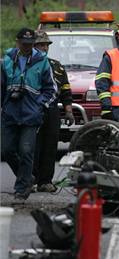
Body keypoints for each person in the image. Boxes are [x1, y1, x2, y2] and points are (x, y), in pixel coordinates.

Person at [1, 28, 56, 200]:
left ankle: (21, 189)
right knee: (7, 150)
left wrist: (39, 105)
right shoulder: (7, 61)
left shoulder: (42, 61)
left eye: (30, 45)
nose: (27, 48)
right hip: (10, 113)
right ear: (17, 43)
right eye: (24, 44)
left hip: (31, 115)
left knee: (26, 150)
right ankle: (27, 178)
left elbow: (51, 89)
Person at [32, 30, 74, 192]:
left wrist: (68, 111)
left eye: (46, 45)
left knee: (50, 146)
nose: (44, 48)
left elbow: (66, 91)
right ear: (33, 46)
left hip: (52, 111)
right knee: (33, 146)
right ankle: (31, 179)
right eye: (40, 45)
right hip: (33, 110)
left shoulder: (57, 66)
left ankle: (45, 181)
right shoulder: (27, 65)